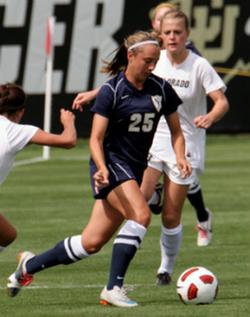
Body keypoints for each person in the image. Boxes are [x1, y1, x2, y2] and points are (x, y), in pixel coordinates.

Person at [7, 30, 191, 307]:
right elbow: (95, 138)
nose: (152, 66)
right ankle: (113, 289)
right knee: (141, 215)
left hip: (135, 167)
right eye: (148, 61)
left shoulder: (161, 88)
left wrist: (180, 157)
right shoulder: (111, 91)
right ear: (131, 56)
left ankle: (28, 266)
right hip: (111, 164)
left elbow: (177, 131)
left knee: (90, 243)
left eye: (155, 61)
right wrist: (102, 168)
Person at [72, 2, 208, 248]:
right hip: (148, 143)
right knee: (138, 212)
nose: (168, 32)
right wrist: (96, 93)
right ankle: (114, 283)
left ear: (184, 31)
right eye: (162, 23)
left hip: (180, 137)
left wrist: (208, 118)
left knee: (164, 213)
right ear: (158, 26)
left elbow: (213, 100)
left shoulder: (184, 60)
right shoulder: (149, 53)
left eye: (174, 28)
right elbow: (123, 82)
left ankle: (170, 255)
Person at [140, 9, 229, 285]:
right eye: (167, 32)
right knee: (139, 200)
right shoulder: (156, 61)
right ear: (160, 34)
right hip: (155, 138)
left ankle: (165, 268)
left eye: (177, 32)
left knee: (171, 214)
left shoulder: (199, 65)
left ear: (187, 34)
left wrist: (211, 116)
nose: (172, 37)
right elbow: (128, 81)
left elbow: (222, 101)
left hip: (186, 142)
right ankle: (153, 197)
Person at [0, 83, 76, 253]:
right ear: (21, 111)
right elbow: (68, 140)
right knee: (7, 236)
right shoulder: (16, 131)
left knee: (7, 235)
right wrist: (68, 121)